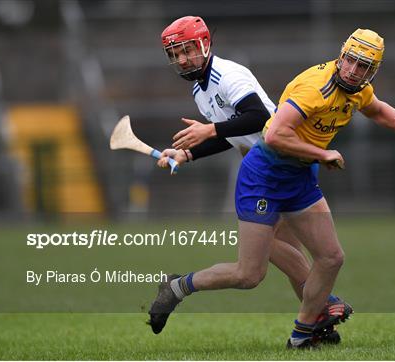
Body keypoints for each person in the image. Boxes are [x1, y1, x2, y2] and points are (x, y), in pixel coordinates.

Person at [149, 16, 351, 344]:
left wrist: (208, 131)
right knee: (253, 272)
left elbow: (259, 117)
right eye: (176, 53)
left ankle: (316, 321)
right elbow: (232, 133)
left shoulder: (227, 75)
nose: (183, 59)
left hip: (283, 167)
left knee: (291, 256)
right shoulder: (200, 90)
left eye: (188, 50)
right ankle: (178, 287)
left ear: (204, 45)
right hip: (264, 175)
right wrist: (188, 153)